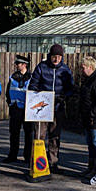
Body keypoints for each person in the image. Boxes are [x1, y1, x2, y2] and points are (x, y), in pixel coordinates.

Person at [28, 44, 74, 174]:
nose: (56, 59)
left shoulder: (65, 70)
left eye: (59, 57)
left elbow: (70, 87)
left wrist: (65, 96)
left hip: (58, 107)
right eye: (54, 56)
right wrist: (39, 93)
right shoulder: (41, 67)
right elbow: (33, 84)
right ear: (50, 56)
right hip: (42, 108)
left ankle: (53, 162)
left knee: (55, 136)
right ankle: (36, 160)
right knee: (39, 135)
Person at [3, 55, 33, 164]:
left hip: (27, 109)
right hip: (15, 108)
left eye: (18, 64)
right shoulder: (13, 77)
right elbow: (8, 91)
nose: (16, 65)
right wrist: (10, 103)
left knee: (29, 134)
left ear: (24, 65)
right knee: (14, 133)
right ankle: (12, 155)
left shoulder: (32, 78)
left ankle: (28, 156)